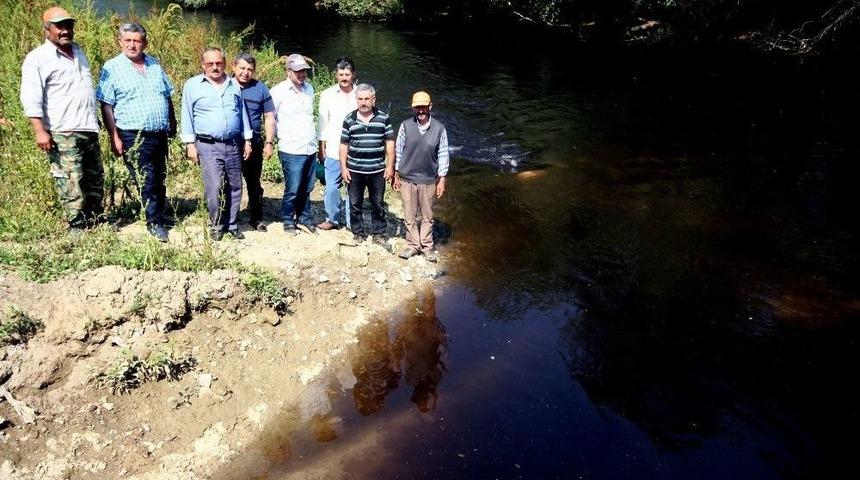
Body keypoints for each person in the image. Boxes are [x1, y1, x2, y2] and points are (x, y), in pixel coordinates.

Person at [20, 6, 103, 236]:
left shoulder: (79, 52)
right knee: (70, 179)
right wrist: (39, 130)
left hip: (87, 127)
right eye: (59, 26)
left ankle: (95, 220)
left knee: (94, 178)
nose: (65, 30)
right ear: (47, 29)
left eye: (69, 25)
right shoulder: (38, 58)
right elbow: (30, 96)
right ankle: (76, 226)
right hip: (61, 130)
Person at [96, 22, 176, 242]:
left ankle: (161, 214)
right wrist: (114, 137)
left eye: (137, 40)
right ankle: (154, 223)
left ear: (145, 43)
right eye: (128, 40)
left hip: (159, 133)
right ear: (120, 41)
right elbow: (106, 105)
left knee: (159, 177)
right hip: (132, 134)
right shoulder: (112, 68)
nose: (132, 45)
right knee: (146, 179)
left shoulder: (154, 64)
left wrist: (172, 124)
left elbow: (167, 95)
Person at [180, 47, 252, 241]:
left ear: (225, 64)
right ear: (203, 65)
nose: (214, 67)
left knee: (236, 185)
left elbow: (242, 113)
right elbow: (186, 115)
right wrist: (189, 145)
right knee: (215, 186)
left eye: (218, 63)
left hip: (234, 144)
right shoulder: (192, 85)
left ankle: (232, 223)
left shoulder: (233, 84)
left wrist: (247, 140)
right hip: (208, 145)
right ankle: (216, 224)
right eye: (210, 63)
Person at [393, 91, 449, 262]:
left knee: (427, 216)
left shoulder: (440, 129)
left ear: (430, 107)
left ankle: (427, 246)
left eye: (424, 107)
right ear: (413, 108)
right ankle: (412, 246)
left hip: (428, 179)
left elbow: (444, 155)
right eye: (418, 107)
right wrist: (396, 174)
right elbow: (398, 150)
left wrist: (442, 180)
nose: (421, 111)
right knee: (409, 215)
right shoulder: (405, 126)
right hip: (407, 178)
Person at [339, 83, 395, 242]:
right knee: (355, 204)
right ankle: (358, 232)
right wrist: (344, 168)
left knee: (377, 203)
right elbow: (343, 144)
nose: (363, 102)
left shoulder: (383, 118)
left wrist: (390, 166)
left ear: (374, 99)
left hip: (377, 169)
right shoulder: (349, 119)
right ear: (356, 100)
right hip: (355, 169)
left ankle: (378, 232)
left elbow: (390, 142)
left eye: (367, 99)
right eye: (360, 99)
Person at [270, 53, 317, 235]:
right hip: (290, 148)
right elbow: (270, 118)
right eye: (297, 71)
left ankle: (304, 218)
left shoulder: (310, 89)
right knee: (293, 187)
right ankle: (288, 219)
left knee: (307, 187)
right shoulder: (278, 91)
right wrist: (270, 141)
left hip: (309, 147)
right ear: (288, 71)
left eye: (304, 71)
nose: (301, 74)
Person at [232, 53, 275, 232]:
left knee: (253, 181)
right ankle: (229, 218)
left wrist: (269, 142)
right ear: (233, 67)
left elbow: (269, 116)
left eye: (250, 69)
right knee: (231, 182)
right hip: (230, 142)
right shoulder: (225, 85)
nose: (246, 73)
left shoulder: (260, 88)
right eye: (242, 68)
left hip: (254, 142)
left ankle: (256, 218)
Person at [316, 56, 357, 230]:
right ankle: (332, 219)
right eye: (341, 74)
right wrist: (321, 146)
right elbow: (322, 123)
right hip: (333, 148)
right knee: (332, 188)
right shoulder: (327, 95)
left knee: (353, 189)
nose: (344, 78)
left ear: (353, 75)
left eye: (347, 74)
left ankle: (351, 222)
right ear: (336, 75)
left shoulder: (361, 94)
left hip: (356, 150)